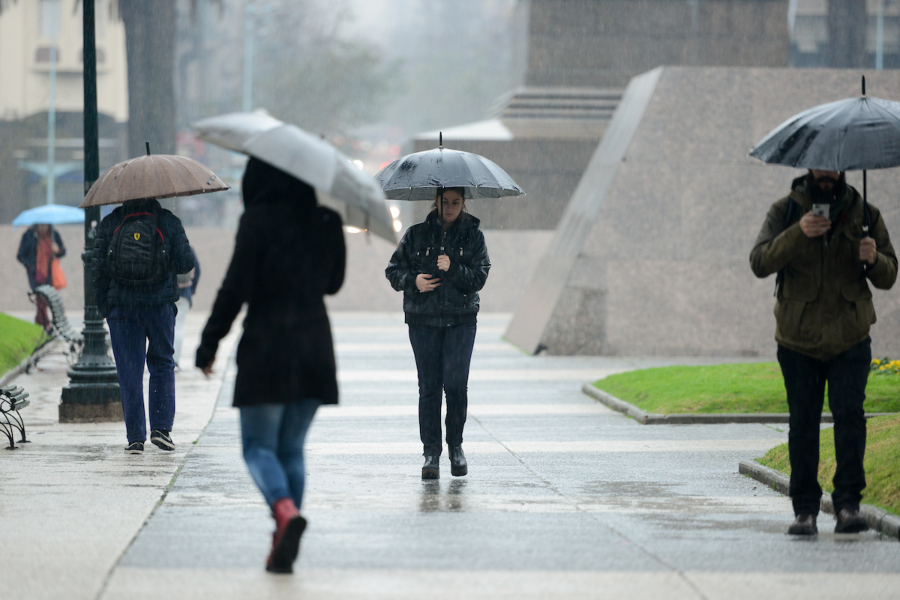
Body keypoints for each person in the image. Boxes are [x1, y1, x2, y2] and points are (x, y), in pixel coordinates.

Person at [196, 157, 345, 575]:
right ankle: (284, 533)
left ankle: (283, 513)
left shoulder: (257, 220)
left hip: (268, 345)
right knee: (292, 449)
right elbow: (333, 283)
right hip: (314, 346)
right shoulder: (328, 219)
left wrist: (209, 344)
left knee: (258, 447)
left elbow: (234, 287)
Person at [750, 169, 897, 536]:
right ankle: (805, 511)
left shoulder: (866, 214)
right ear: (809, 170)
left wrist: (873, 257)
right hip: (798, 339)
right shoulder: (784, 211)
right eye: (820, 168)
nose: (827, 175)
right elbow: (760, 262)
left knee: (850, 420)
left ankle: (848, 505)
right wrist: (797, 233)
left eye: (833, 168)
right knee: (803, 424)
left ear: (843, 170)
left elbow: (889, 274)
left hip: (850, 336)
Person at [385, 187, 491, 480]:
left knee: (456, 386)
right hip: (423, 320)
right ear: (436, 201)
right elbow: (393, 270)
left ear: (464, 203)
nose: (451, 208)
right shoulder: (416, 234)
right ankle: (431, 452)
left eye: (457, 203)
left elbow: (479, 277)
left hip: (461, 319)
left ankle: (455, 446)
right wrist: (413, 280)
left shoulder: (474, 236)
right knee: (429, 388)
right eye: (446, 202)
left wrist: (453, 267)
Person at [93, 197, 195, 455]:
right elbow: (186, 264)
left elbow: (98, 269)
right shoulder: (169, 221)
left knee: (129, 371)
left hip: (123, 309)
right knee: (162, 364)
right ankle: (161, 429)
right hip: (159, 306)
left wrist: (106, 307)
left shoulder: (110, 223)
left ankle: (135, 438)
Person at [17, 224, 66, 332]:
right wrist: (30, 266)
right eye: (41, 224)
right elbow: (20, 255)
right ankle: (46, 324)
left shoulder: (54, 235)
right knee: (41, 298)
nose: (43, 226)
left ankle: (40, 323)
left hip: (50, 273)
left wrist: (57, 250)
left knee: (44, 299)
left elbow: (63, 251)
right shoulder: (28, 235)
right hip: (35, 274)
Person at [173, 245, 201, 368]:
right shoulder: (188, 247)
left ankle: (167, 360)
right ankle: (175, 360)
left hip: (167, 293)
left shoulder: (165, 243)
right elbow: (198, 270)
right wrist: (191, 289)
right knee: (178, 326)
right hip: (184, 294)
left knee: (167, 327)